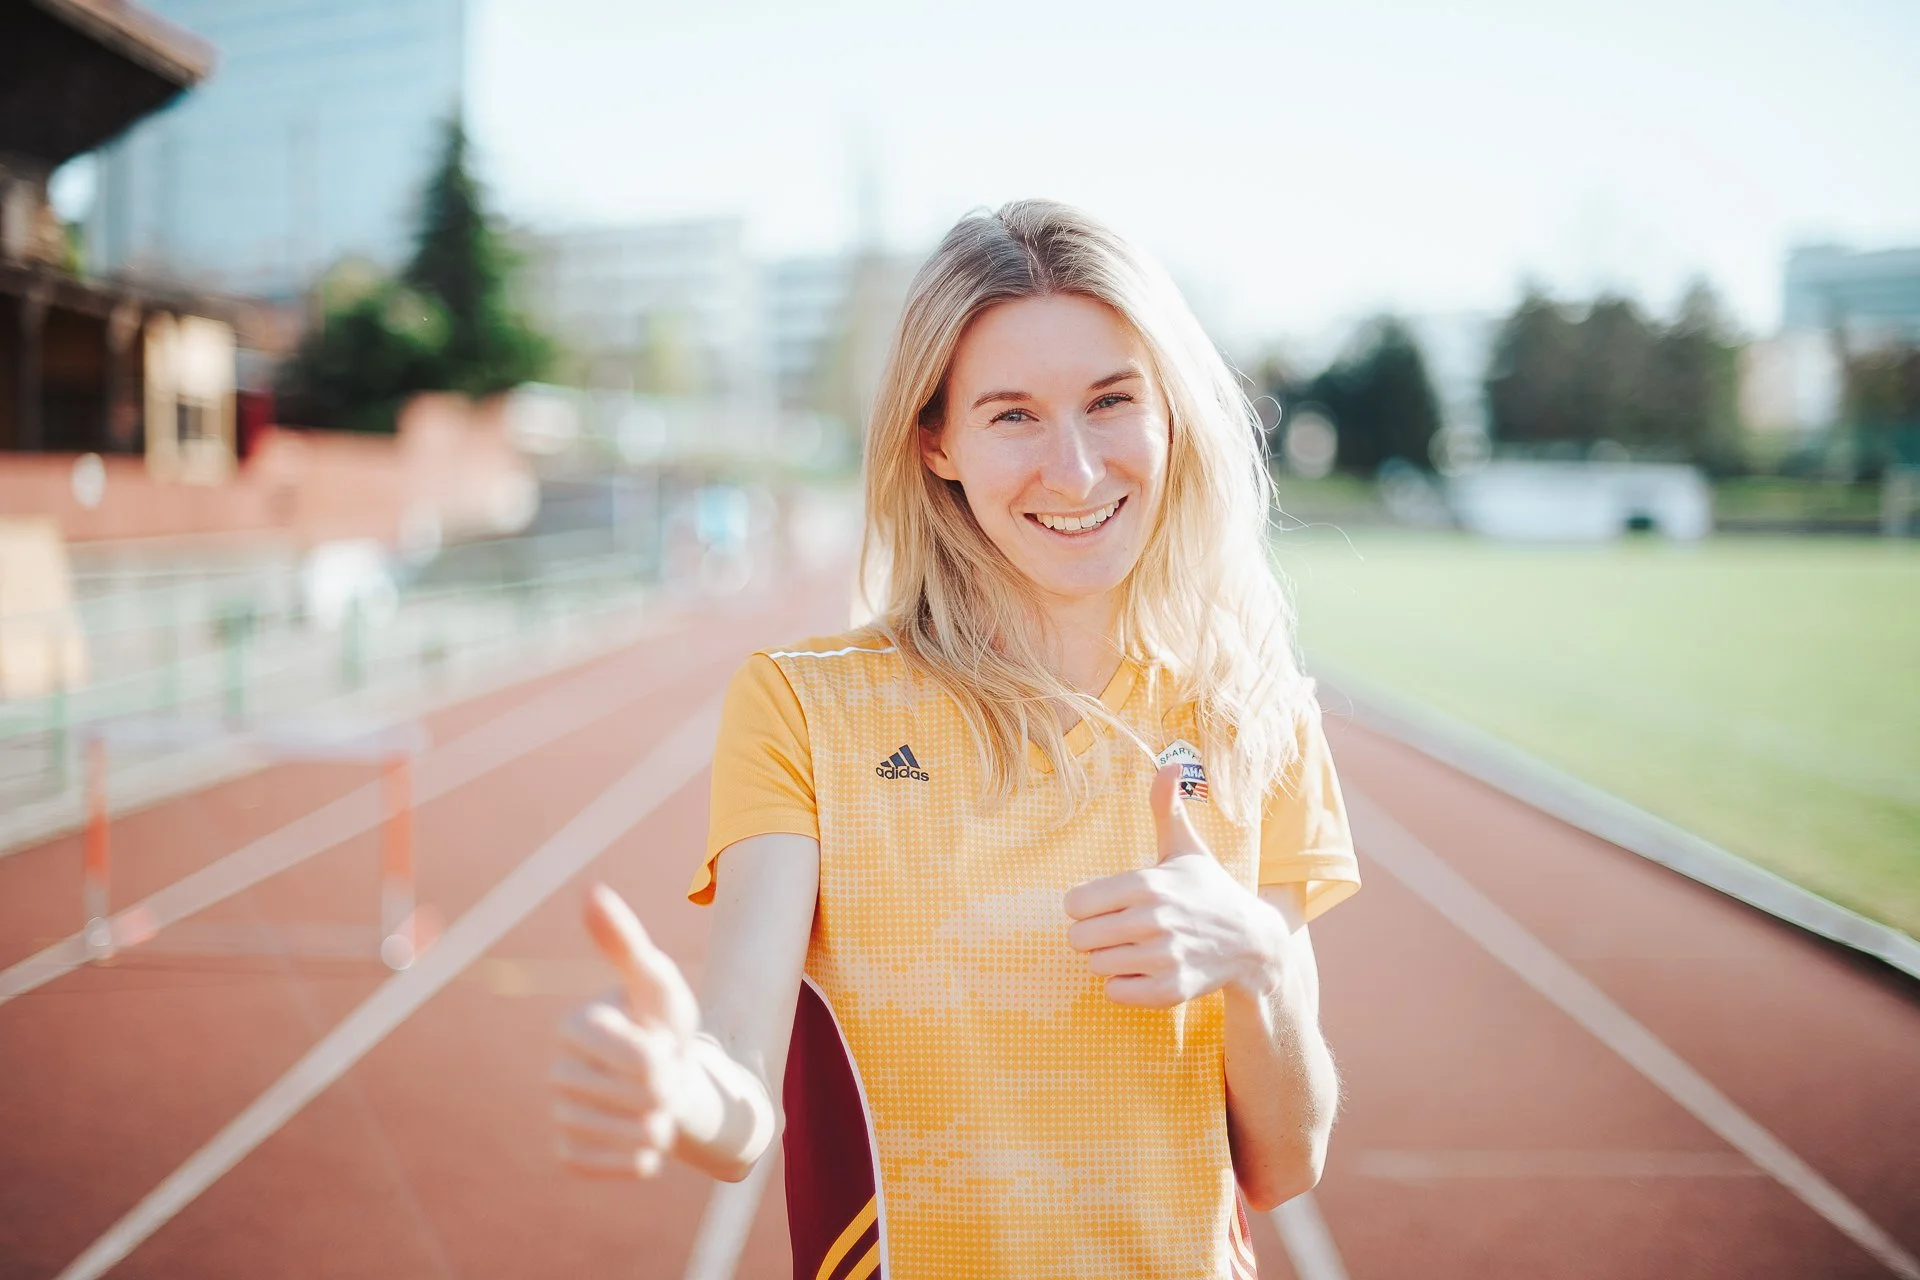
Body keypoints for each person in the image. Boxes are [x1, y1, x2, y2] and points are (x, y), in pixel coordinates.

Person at [551, 200, 1362, 1279]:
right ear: (936, 440)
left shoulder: (1256, 710)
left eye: (1111, 400)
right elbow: (740, 1077)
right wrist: (681, 1085)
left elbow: (1289, 1159)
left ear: (1171, 412)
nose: (1073, 470)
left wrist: (1257, 961)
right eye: (1013, 415)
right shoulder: (804, 708)